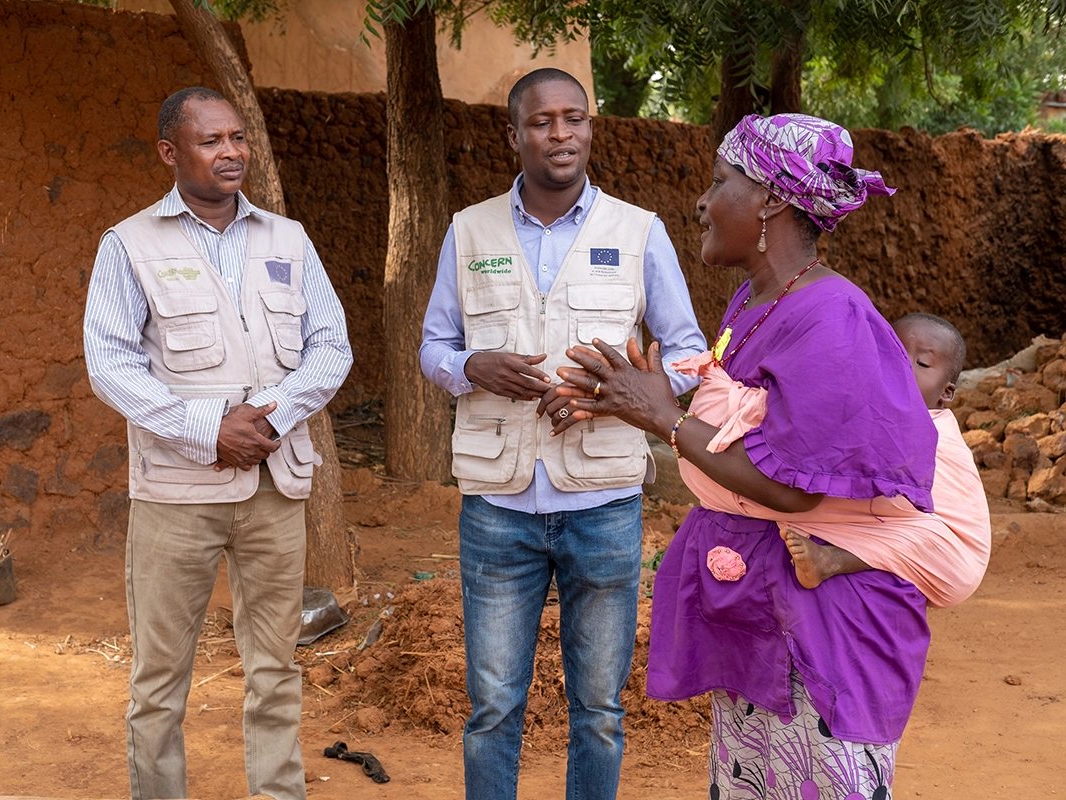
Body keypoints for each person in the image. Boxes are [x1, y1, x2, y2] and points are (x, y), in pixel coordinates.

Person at [556, 113, 936, 799]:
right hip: (764, 619)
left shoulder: (832, 315)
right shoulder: (752, 302)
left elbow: (794, 487)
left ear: (771, 200)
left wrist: (661, 415)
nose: (701, 201)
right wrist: (638, 402)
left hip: (826, 635)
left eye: (719, 181)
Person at [419, 67, 706, 800]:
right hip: (497, 509)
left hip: (603, 504)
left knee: (601, 713)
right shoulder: (469, 228)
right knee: (492, 710)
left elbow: (688, 355)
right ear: (513, 134)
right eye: (542, 121)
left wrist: (622, 398)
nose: (560, 133)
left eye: (574, 118)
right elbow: (433, 348)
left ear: (590, 128)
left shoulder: (639, 232)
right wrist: (471, 364)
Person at [83, 86, 352, 800]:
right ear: (172, 153)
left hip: (276, 488)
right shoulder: (131, 244)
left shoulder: (287, 240)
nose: (231, 152)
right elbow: (110, 365)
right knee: (159, 680)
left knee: (275, 670)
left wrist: (274, 414)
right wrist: (208, 430)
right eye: (212, 141)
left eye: (237, 138)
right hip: (177, 495)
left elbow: (331, 345)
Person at [781, 312, 989, 594]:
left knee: (919, 536)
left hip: (951, 553)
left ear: (946, 392)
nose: (903, 367)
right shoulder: (865, 411)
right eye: (891, 353)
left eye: (922, 363)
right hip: (887, 526)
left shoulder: (939, 432)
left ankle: (832, 560)